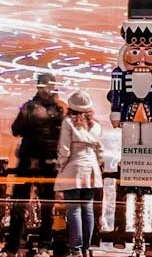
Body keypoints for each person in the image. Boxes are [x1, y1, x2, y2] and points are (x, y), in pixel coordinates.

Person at [0, 72, 65, 257]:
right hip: (38, 161)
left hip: (40, 162)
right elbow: (16, 129)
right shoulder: (55, 109)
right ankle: (19, 247)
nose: (47, 89)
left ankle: (34, 247)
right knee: (27, 206)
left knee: (41, 207)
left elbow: (17, 129)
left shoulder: (38, 108)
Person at [56, 91, 103, 257]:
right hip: (91, 170)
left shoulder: (68, 123)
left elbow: (64, 149)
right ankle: (86, 248)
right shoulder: (96, 126)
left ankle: (75, 248)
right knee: (88, 209)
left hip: (73, 170)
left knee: (74, 210)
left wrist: (59, 166)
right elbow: (100, 150)